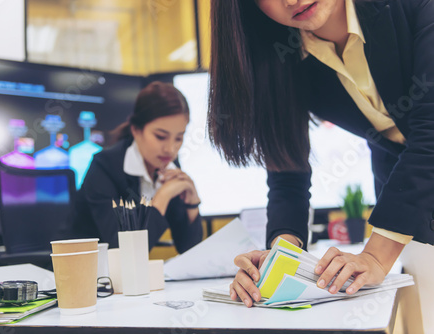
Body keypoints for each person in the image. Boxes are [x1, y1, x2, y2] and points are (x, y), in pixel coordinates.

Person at [208, 0, 434, 331]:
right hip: (410, 199)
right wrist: (278, 261)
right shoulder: (285, 55)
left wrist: (374, 256)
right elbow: (288, 171)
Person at [71, 81, 203, 253]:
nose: (171, 149)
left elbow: (188, 249)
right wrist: (162, 197)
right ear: (136, 130)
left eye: (179, 138)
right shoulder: (105, 166)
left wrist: (192, 204)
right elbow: (123, 249)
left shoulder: (167, 164)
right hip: (81, 270)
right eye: (161, 136)